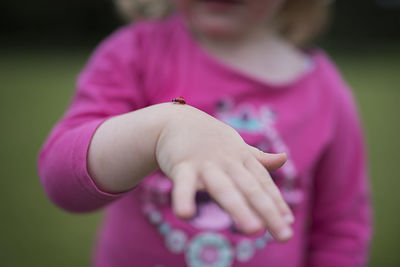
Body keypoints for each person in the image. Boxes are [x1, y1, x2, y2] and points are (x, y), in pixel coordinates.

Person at [38, 0, 372, 266]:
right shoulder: (135, 53)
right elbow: (62, 181)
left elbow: (341, 230)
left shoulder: (327, 92)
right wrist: (159, 129)